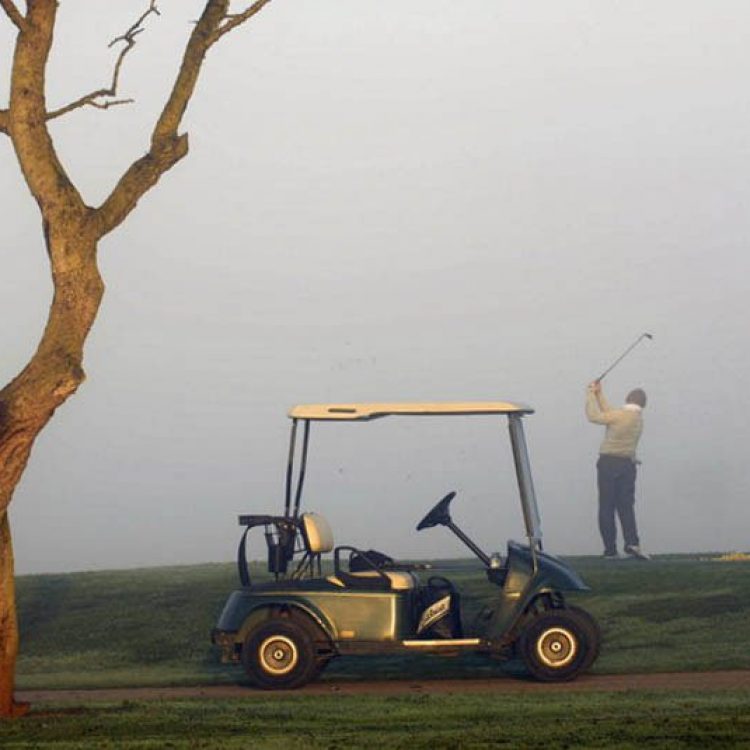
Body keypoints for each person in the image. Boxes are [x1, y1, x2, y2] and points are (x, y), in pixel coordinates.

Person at [586, 381, 650, 560]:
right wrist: (599, 393)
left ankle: (610, 550)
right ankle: (632, 543)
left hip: (608, 463)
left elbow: (594, 416)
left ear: (627, 399)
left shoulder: (620, 416)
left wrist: (590, 394)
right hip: (627, 465)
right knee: (626, 506)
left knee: (606, 506)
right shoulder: (637, 419)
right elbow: (609, 413)